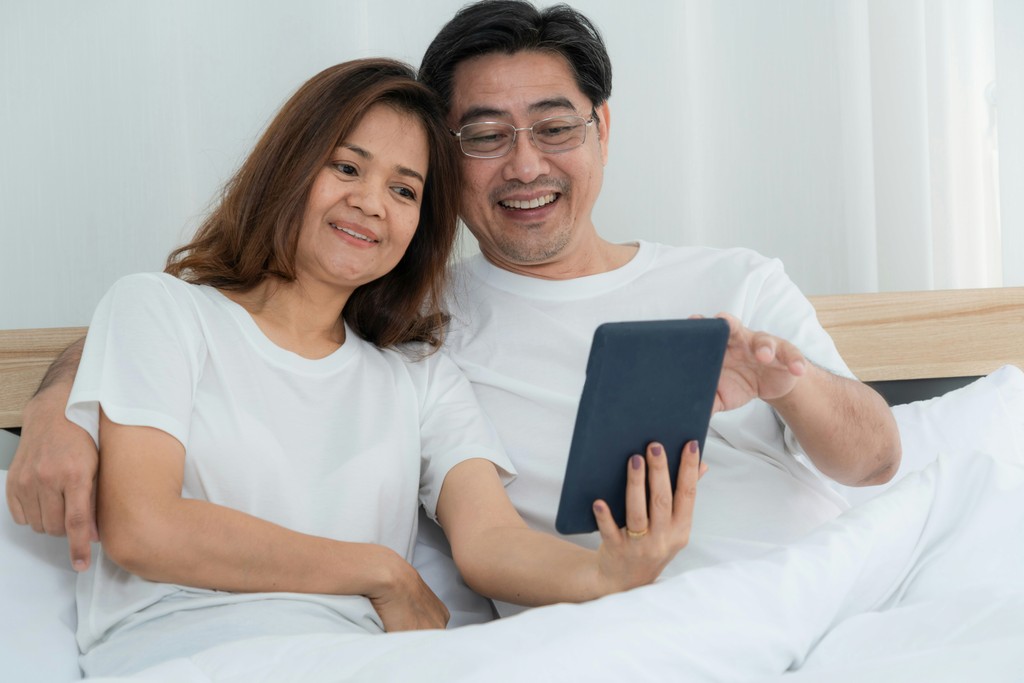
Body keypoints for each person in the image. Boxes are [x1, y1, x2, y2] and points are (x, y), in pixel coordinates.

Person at [7, 0, 899, 619]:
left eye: (555, 126)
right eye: (482, 136)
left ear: (603, 130)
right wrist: (59, 402)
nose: (524, 164)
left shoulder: (735, 278)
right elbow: (218, 324)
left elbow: (876, 458)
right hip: (595, 631)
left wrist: (789, 384)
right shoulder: (424, 326)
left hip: (810, 598)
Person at [28, 57, 701, 676]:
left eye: (405, 191)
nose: (373, 203)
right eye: (347, 169)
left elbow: (490, 539)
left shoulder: (418, 375)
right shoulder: (161, 310)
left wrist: (606, 573)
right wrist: (382, 572)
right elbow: (144, 525)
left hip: (362, 658)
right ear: (289, 166)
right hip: (187, 651)